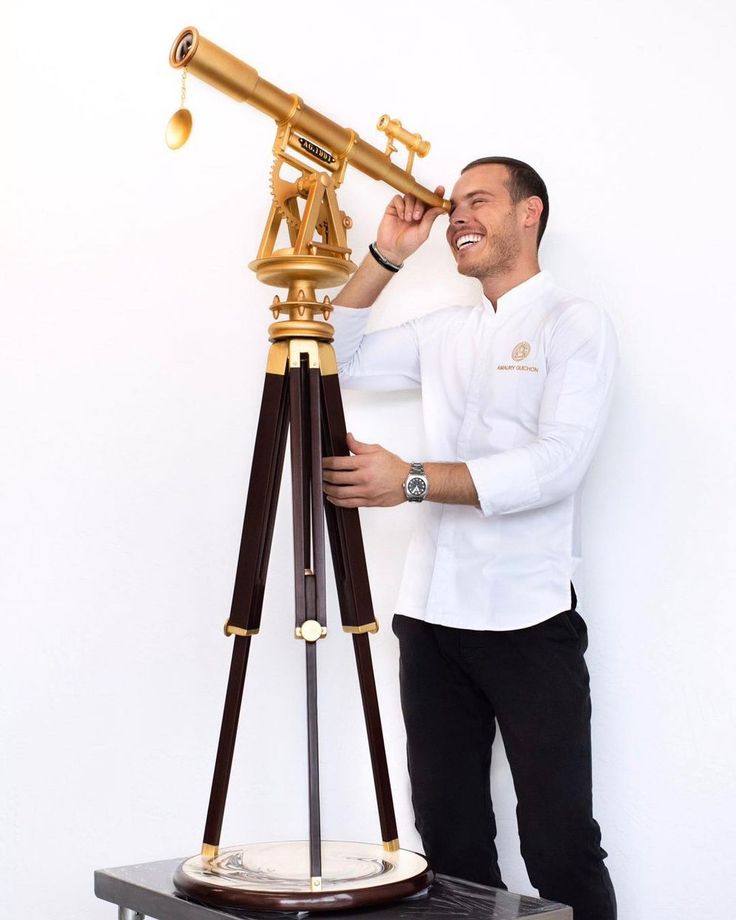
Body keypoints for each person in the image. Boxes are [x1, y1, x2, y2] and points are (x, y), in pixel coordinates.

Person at [321, 157, 618, 920]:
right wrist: (388, 253)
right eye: (453, 205)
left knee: (559, 846)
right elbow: (334, 352)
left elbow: (556, 465)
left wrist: (410, 479)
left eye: (478, 201)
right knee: (449, 844)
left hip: (529, 621)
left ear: (531, 213)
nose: (457, 217)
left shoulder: (572, 322)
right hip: (431, 620)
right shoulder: (447, 330)